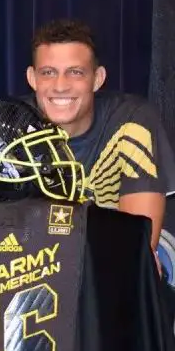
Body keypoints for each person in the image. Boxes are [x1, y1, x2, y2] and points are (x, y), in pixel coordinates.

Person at [24, 18, 175, 252]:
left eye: (75, 72)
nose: (60, 86)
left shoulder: (132, 122)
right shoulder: (12, 124)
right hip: (39, 267)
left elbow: (138, 248)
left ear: (98, 79)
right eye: (48, 72)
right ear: (32, 79)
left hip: (107, 262)